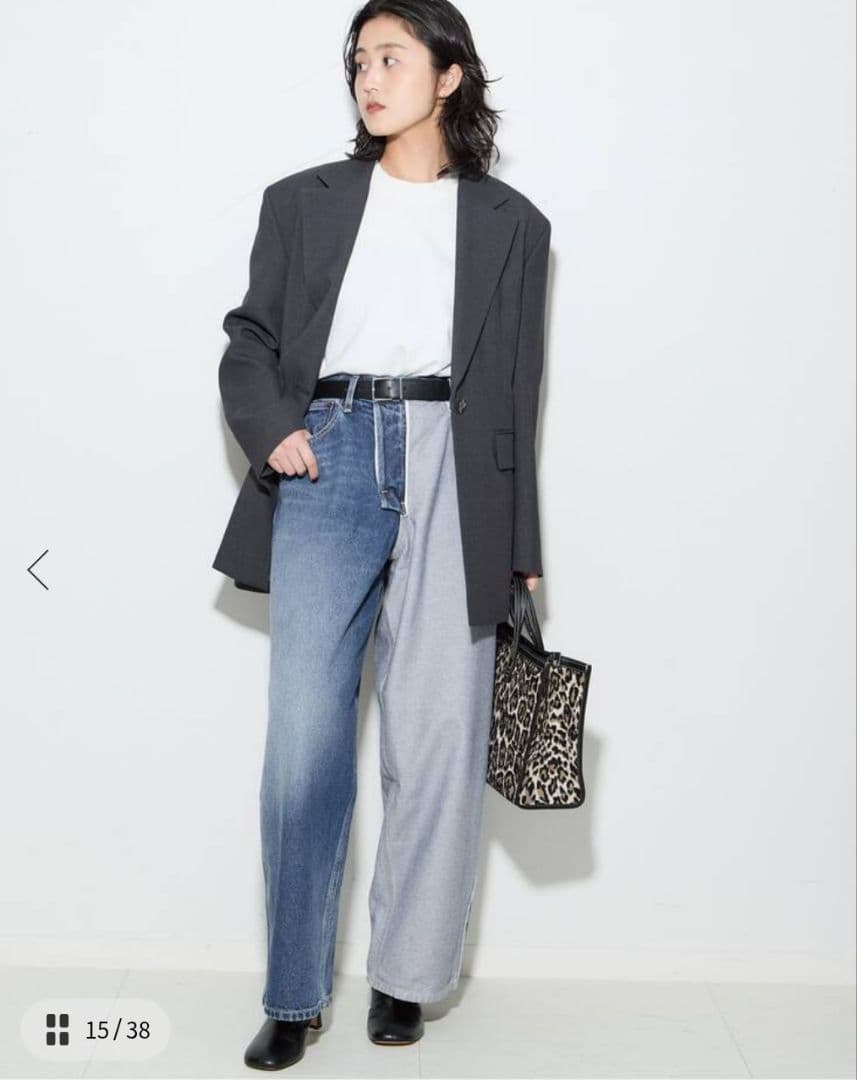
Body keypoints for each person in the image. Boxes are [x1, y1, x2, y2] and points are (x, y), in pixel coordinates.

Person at [214, 0, 551, 1070]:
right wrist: (274, 428)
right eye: (359, 59)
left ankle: (405, 977)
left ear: (448, 77)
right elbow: (248, 340)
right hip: (328, 454)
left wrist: (519, 542)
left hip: (458, 466)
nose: (369, 76)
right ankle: (293, 992)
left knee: (439, 734)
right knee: (302, 742)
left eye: (392, 58)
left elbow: (515, 395)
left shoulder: (512, 223)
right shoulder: (301, 203)